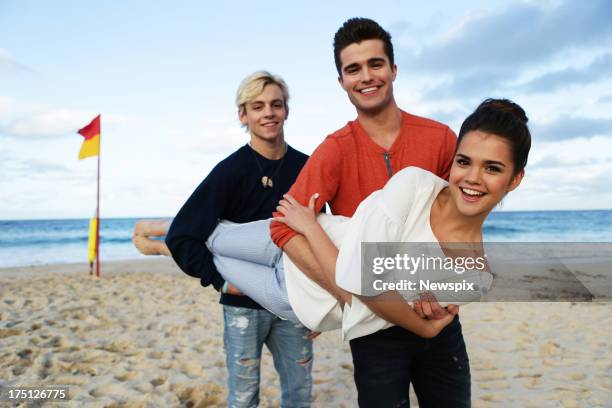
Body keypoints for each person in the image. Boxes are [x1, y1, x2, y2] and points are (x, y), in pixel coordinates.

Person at [133, 98, 531, 408]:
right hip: (296, 238)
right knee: (213, 236)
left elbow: (363, 287)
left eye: (492, 168)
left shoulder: (472, 275)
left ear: (515, 179)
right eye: (464, 161)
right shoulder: (414, 184)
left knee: (216, 254)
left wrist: (418, 323)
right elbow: (363, 282)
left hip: (294, 295)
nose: (472, 178)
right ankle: (169, 229)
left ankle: (167, 241)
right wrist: (307, 226)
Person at [268, 17, 460, 406]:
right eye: (352, 69)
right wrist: (346, 291)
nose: (366, 76)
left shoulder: (440, 138)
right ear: (341, 81)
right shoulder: (335, 148)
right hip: (373, 331)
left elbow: (457, 220)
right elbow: (282, 228)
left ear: (393, 69)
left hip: (434, 308)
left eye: (375, 64)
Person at [163, 71, 314, 408]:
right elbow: (182, 235)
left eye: (276, 104)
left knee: (300, 394)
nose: (268, 113)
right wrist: (220, 281)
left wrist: (321, 303)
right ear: (243, 116)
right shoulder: (229, 170)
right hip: (243, 306)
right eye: (257, 106)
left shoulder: (307, 167)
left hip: (294, 305)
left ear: (287, 111)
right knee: (244, 397)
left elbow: (323, 235)